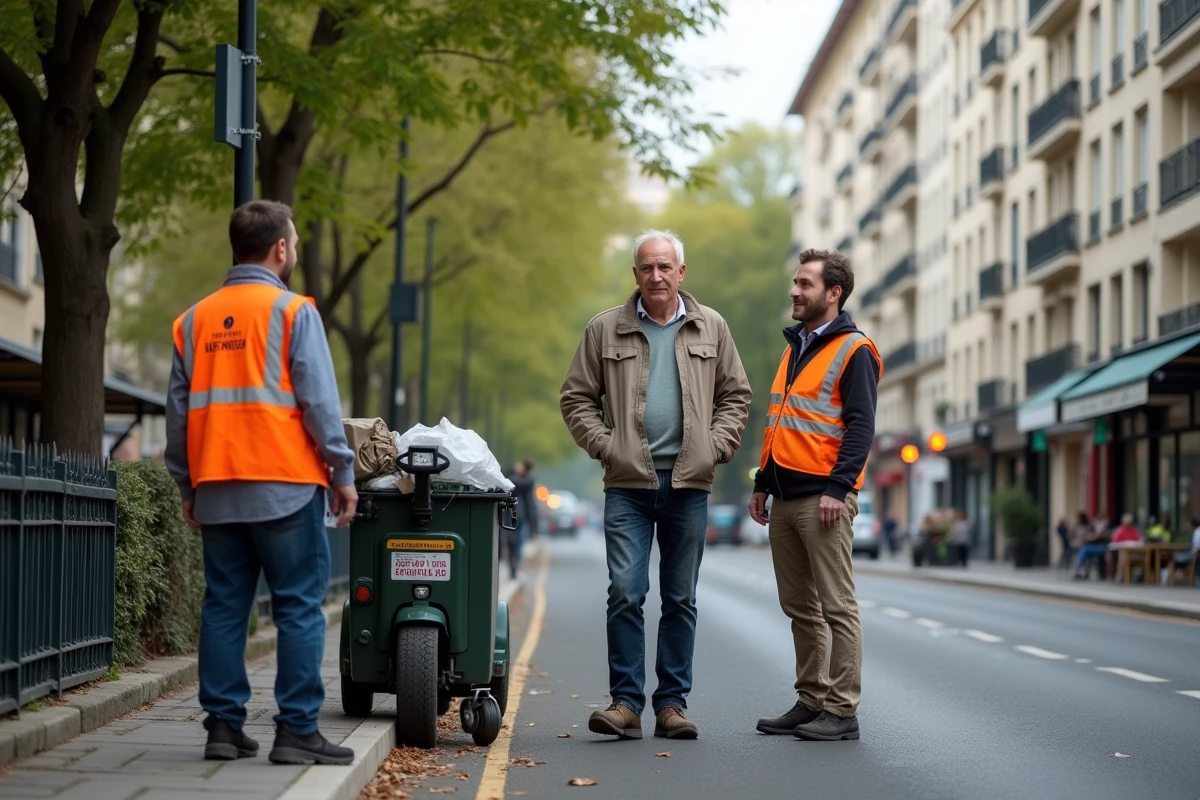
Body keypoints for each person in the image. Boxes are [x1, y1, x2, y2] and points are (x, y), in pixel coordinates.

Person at [165, 200, 357, 766]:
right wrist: (343, 472)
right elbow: (320, 403)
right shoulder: (293, 313)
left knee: (225, 606)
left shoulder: (193, 321)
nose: (293, 250)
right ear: (279, 248)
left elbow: (178, 417)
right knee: (298, 607)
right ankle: (296, 730)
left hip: (218, 487)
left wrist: (186, 485)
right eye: (293, 242)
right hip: (286, 485)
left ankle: (223, 728)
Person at [560, 229, 752, 741]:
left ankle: (671, 706)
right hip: (628, 485)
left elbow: (736, 396)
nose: (657, 275)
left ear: (681, 273)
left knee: (680, 598)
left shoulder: (712, 327)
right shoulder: (605, 330)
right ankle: (625, 704)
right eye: (647, 267)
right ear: (636, 275)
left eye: (666, 266)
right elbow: (576, 399)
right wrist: (608, 446)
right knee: (625, 591)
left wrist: (715, 447)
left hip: (690, 485)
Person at [749, 248, 881, 743]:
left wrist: (839, 487)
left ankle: (842, 709)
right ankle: (811, 699)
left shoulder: (855, 350)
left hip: (824, 498)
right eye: (795, 283)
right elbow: (779, 424)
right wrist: (762, 483)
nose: (794, 291)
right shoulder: (795, 348)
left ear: (833, 293)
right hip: (784, 497)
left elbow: (861, 427)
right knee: (798, 607)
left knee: (836, 606)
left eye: (805, 284)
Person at [507, 458, 539, 579]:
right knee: (517, 543)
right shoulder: (528, 481)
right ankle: (515, 568)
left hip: (515, 516)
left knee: (515, 543)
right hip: (522, 517)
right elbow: (531, 504)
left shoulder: (517, 480)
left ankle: (514, 569)